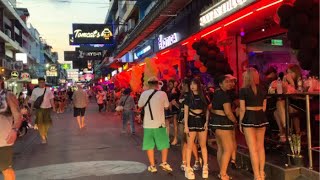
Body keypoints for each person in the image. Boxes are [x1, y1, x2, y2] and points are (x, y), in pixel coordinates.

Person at [138, 77, 173, 173]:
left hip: (148, 124)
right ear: (158, 84)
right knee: (164, 144)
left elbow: (140, 105)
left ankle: (152, 166)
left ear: (149, 85)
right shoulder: (163, 94)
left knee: (149, 145)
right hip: (160, 124)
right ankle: (164, 163)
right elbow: (166, 107)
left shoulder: (144, 94)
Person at [239, 68, 268, 180]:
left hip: (249, 117)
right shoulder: (263, 89)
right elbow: (264, 107)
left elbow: (242, 109)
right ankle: (262, 172)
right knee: (261, 147)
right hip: (261, 116)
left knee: (253, 149)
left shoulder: (243, 90)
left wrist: (241, 122)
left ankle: (257, 175)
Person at [209, 75, 237, 180]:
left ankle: (222, 171)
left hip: (216, 123)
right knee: (228, 149)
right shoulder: (224, 95)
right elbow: (228, 113)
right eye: (226, 82)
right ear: (220, 84)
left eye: (230, 81)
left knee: (221, 148)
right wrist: (236, 121)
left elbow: (210, 107)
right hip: (223, 124)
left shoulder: (216, 93)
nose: (229, 83)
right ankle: (223, 173)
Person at [184, 78, 209, 179]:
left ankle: (205, 166)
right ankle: (188, 167)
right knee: (190, 145)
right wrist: (186, 125)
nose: (192, 86)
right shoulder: (188, 97)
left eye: (194, 84)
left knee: (203, 145)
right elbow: (186, 112)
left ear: (199, 85)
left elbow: (207, 110)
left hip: (202, 121)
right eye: (191, 84)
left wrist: (207, 122)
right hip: (191, 121)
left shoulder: (204, 97)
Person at [177, 78, 201, 172]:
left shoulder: (193, 96)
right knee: (185, 141)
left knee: (189, 142)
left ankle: (195, 160)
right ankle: (186, 161)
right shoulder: (183, 95)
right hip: (181, 120)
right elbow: (181, 108)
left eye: (182, 84)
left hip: (190, 121)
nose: (181, 86)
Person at [0, 84, 23, 180]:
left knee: (5, 168)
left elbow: (18, 116)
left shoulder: (7, 95)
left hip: (3, 140)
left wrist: (14, 130)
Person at [31, 77, 56, 144]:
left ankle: (44, 132)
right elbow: (32, 101)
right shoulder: (35, 90)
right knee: (40, 123)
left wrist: (54, 108)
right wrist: (31, 109)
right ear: (38, 83)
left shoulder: (48, 90)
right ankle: (43, 137)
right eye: (40, 82)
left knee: (47, 123)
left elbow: (51, 100)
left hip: (47, 109)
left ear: (44, 83)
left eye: (43, 82)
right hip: (39, 109)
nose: (41, 84)